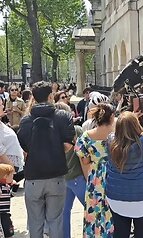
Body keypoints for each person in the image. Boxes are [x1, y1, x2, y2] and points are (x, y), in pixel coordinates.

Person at [17, 81, 75, 238]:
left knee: (35, 223)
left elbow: (24, 147)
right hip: (56, 175)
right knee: (55, 221)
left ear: (33, 98)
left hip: (33, 177)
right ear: (51, 96)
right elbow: (69, 145)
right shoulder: (63, 116)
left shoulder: (26, 120)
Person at [106, 108, 143, 238]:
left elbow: (118, 133)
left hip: (116, 198)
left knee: (120, 233)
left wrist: (126, 120)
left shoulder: (111, 142)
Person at [75, 103, 115, 237]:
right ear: (112, 117)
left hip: (95, 175)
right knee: (113, 211)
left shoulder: (86, 136)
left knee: (95, 211)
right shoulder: (117, 135)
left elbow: (84, 161)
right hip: (114, 174)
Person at [54, 102, 87, 238]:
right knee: (91, 209)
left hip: (62, 177)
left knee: (64, 213)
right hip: (78, 175)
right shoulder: (76, 130)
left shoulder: (53, 133)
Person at [0, 100, 25, 184]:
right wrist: (11, 170)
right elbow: (1, 152)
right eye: (0, 105)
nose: (3, 107)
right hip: (6, 171)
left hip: (12, 169)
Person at [0, 164, 15, 237]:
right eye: (11, 175)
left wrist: (14, 187)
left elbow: (10, 195)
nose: (13, 177)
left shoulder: (7, 186)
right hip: (1, 213)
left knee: (9, 231)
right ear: (5, 176)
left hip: (5, 212)